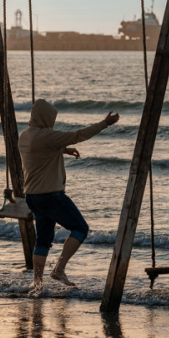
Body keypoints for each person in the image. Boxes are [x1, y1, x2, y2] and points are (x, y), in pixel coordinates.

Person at [19, 98, 119, 295]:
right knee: (81, 228)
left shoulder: (25, 135)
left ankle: (37, 284)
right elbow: (79, 135)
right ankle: (59, 269)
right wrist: (104, 124)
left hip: (32, 196)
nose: (52, 122)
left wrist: (63, 150)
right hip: (51, 196)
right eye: (51, 118)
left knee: (43, 241)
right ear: (45, 118)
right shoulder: (47, 135)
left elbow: (40, 151)